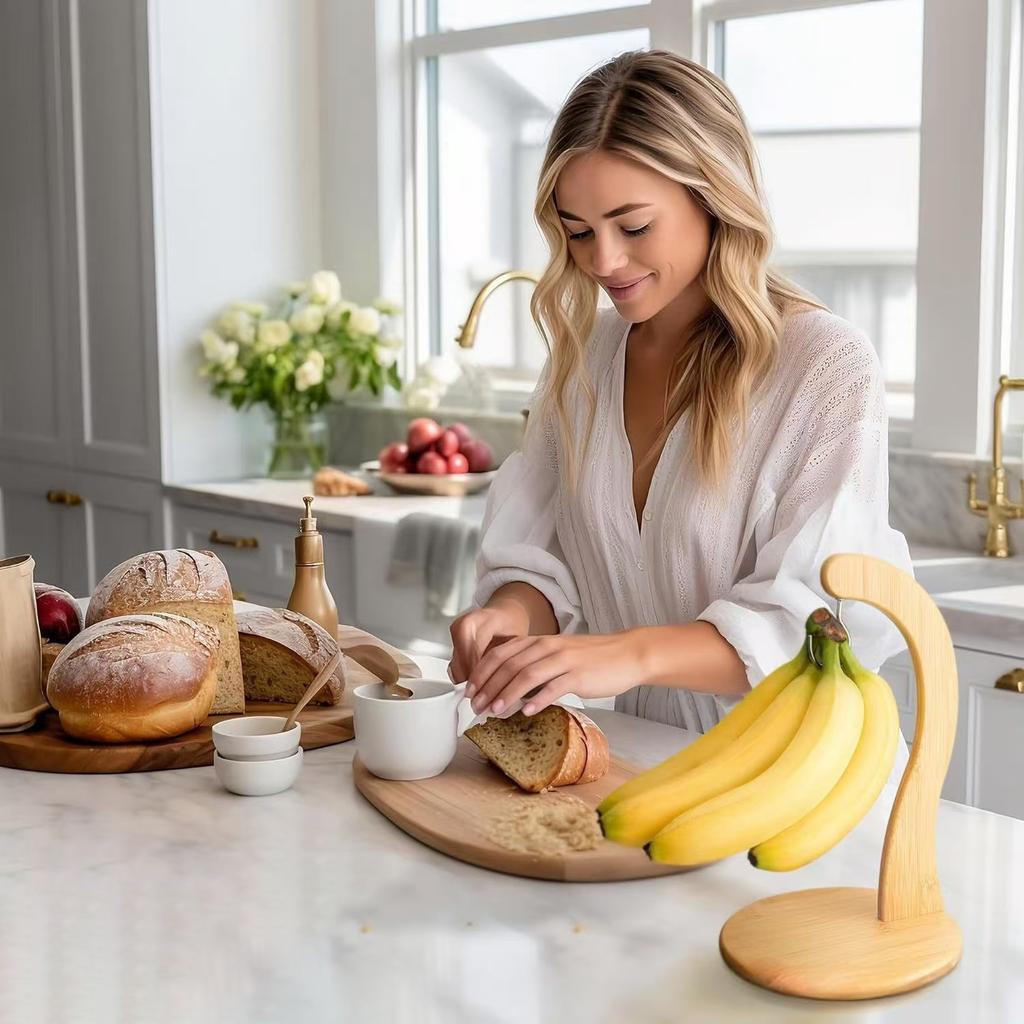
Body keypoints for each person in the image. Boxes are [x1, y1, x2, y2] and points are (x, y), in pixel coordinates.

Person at [448, 49, 913, 738]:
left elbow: (817, 620)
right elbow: (543, 560)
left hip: (790, 780)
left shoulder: (824, 365)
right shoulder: (581, 363)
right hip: (647, 759)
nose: (602, 261)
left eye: (633, 226)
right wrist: (513, 613)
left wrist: (630, 654)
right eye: (578, 232)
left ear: (712, 195)